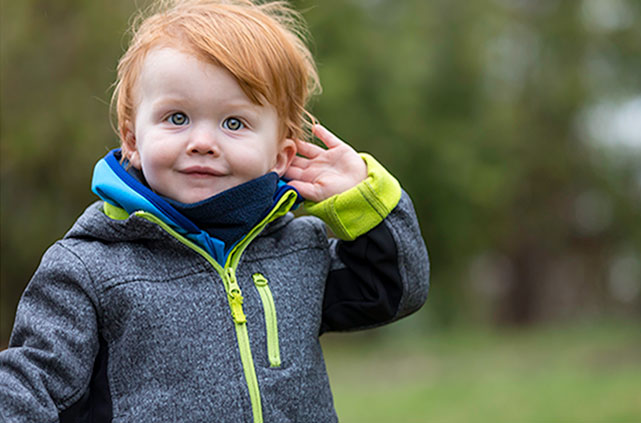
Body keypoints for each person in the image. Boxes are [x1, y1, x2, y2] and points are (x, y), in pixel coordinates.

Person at [0, 0, 429, 421]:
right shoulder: (87, 268)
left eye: (234, 123)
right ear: (132, 140)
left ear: (281, 156)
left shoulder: (297, 249)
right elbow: (29, 387)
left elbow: (393, 289)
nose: (202, 141)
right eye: (177, 117)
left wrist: (366, 200)